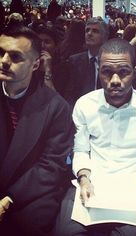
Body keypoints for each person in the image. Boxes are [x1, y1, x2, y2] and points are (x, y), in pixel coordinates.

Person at [54, 38, 136, 236]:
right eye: (107, 72)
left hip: (132, 192)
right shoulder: (85, 105)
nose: (115, 80)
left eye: (124, 72)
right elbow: (81, 150)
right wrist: (84, 178)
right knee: (66, 233)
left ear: (135, 71)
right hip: (91, 185)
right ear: (99, 69)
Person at [0, 25, 74, 235]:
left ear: (35, 65)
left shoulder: (56, 107)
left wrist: (8, 199)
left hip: (30, 193)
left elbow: (51, 165)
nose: (4, 61)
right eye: (1, 52)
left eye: (15, 57)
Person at [64, 17, 109, 107]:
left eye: (95, 31)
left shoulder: (110, 62)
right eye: (87, 30)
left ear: (104, 37)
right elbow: (69, 94)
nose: (89, 33)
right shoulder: (74, 61)